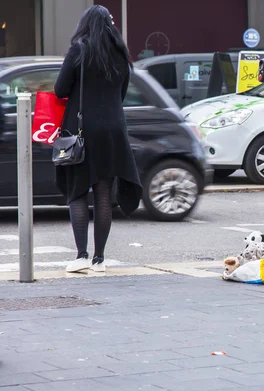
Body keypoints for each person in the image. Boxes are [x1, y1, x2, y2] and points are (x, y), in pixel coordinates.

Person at [54, 5, 142, 273]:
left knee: (77, 192)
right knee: (103, 193)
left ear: (84, 23)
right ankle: (100, 260)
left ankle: (81, 256)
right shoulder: (120, 54)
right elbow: (122, 93)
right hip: (113, 132)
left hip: (82, 130)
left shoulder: (79, 49)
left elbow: (60, 89)